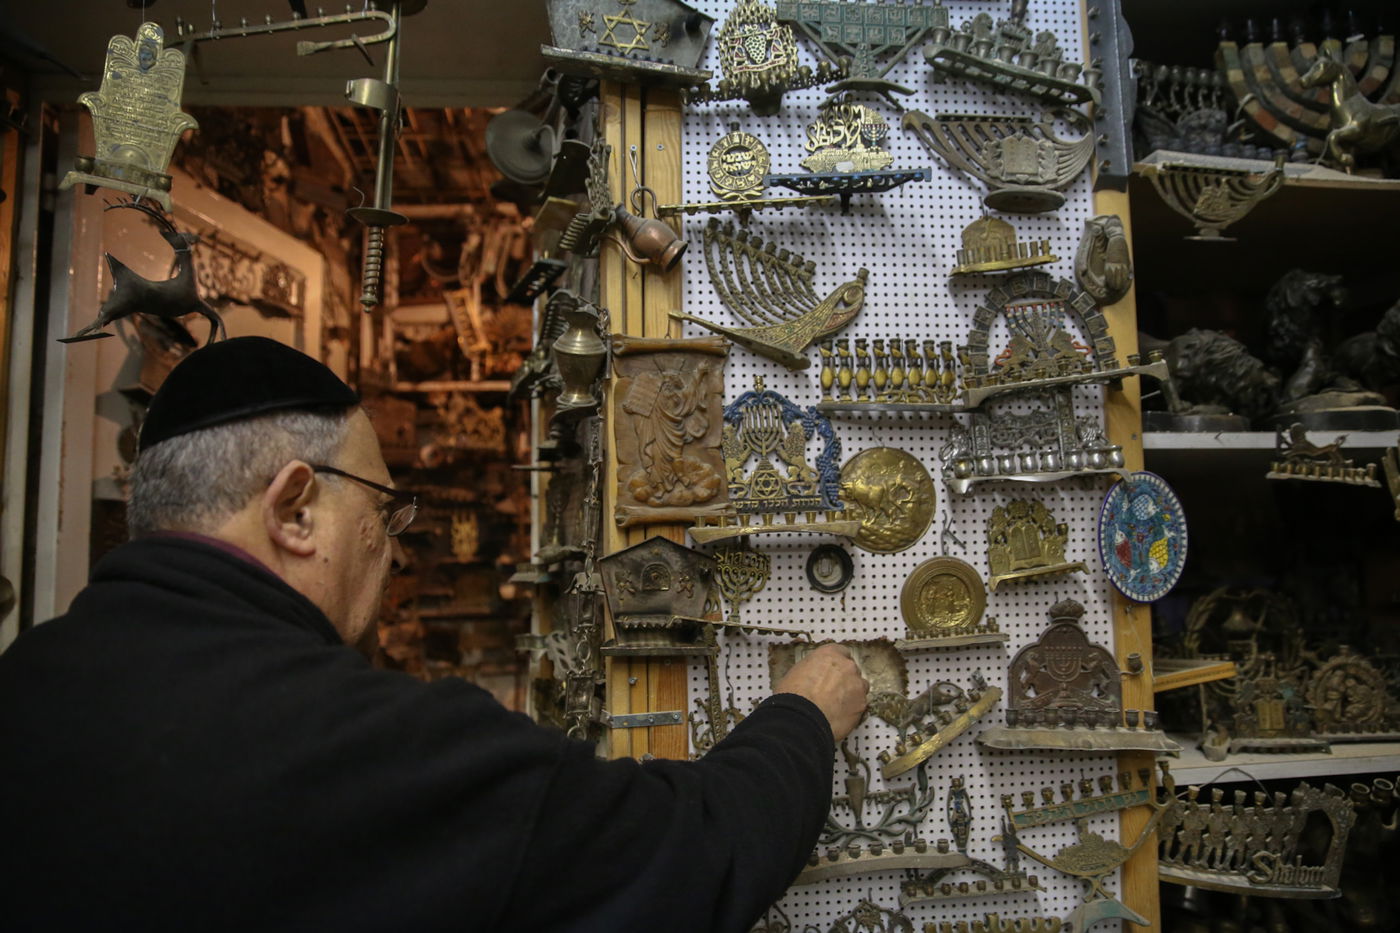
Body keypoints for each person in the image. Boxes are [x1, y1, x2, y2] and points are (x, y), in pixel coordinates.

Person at [0, 336, 868, 932]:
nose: (393, 546)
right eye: (383, 508)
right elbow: (692, 857)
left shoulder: (25, 684)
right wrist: (802, 715)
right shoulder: (379, 747)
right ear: (296, 509)